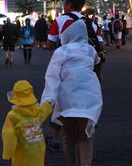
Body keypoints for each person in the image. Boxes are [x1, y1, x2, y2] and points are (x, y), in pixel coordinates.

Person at [42, 20, 103, 166]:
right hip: (90, 97)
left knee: (68, 137)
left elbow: (52, 76)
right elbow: (97, 61)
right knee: (86, 136)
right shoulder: (90, 50)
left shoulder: (61, 51)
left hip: (66, 97)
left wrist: (47, 101)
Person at [2, 80, 53, 166]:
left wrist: (8, 153)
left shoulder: (13, 116)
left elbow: (8, 134)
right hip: (38, 153)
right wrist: (49, 103)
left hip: (22, 155)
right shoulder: (37, 111)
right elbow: (45, 109)